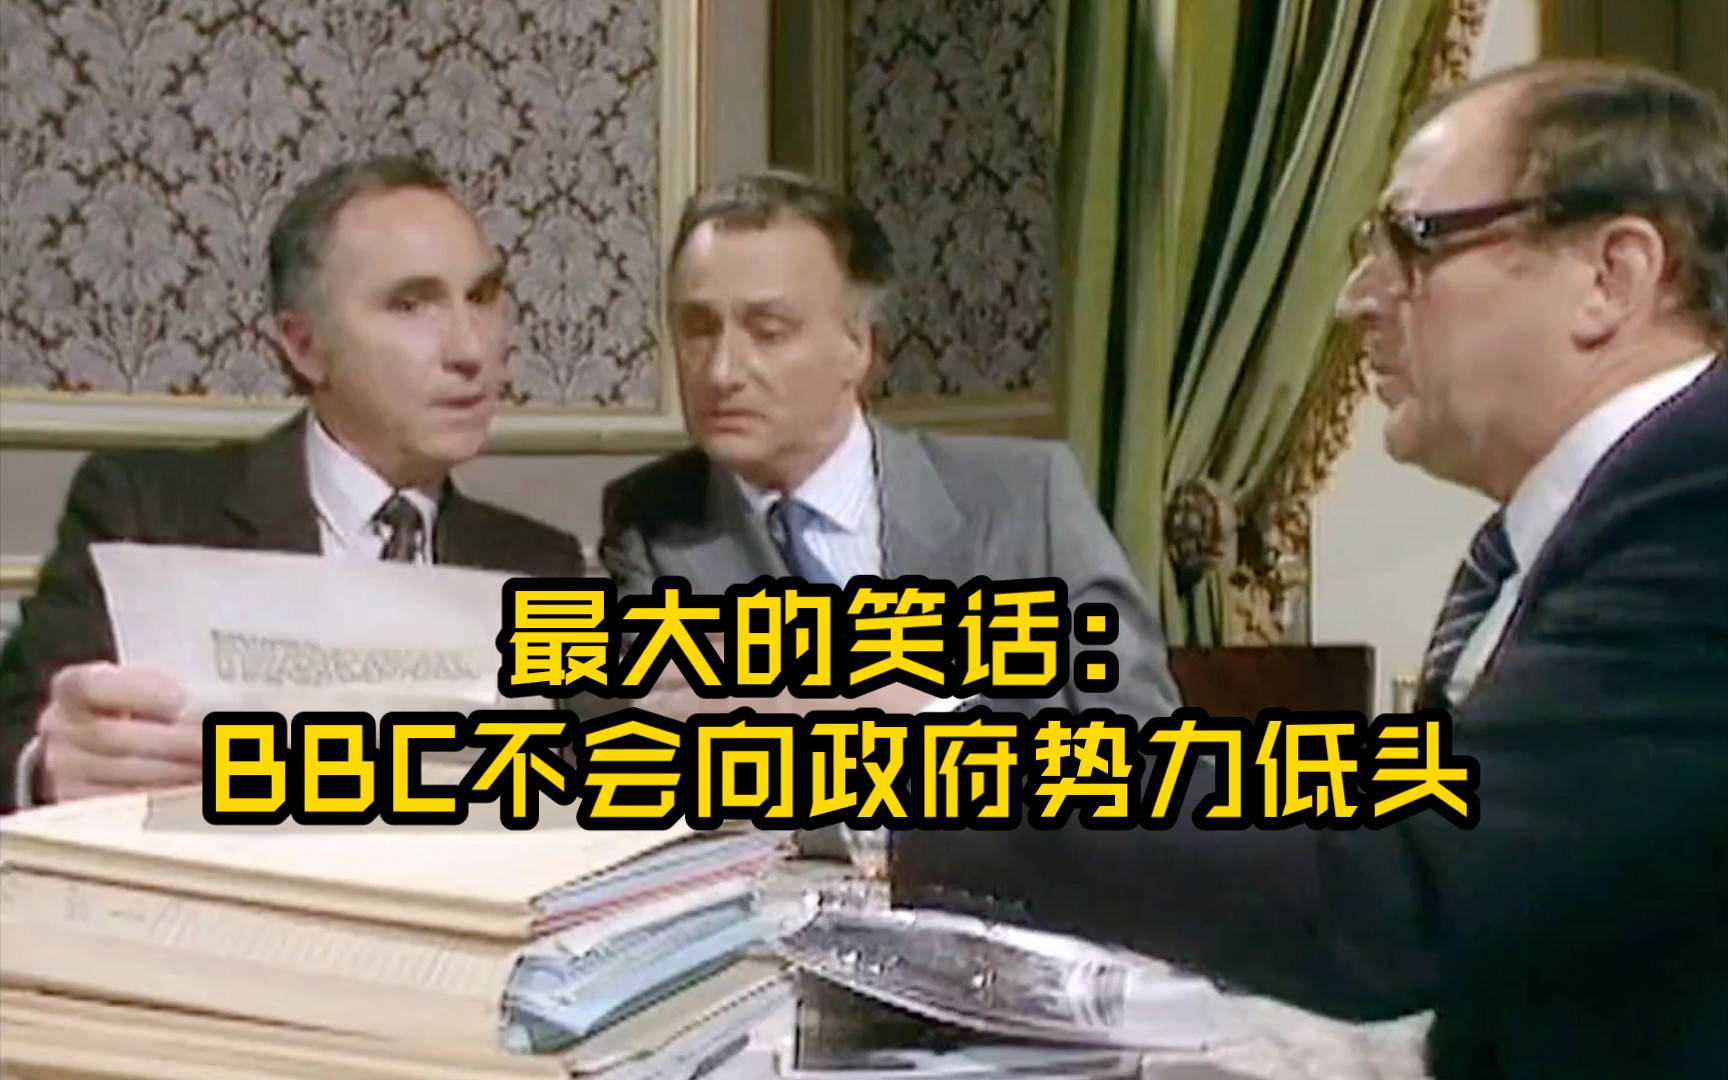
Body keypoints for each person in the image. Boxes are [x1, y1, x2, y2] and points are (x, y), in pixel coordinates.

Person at [886, 61, 1728, 1080]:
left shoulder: (1704, 501)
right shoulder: (1615, 504)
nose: (1354, 298)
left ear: (1613, 277)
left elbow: (1401, 884)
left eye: (1413, 241)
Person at [0, 154, 586, 810]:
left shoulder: (541, 564)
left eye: (481, 297)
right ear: (304, 346)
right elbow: (14, 733)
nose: (471, 350)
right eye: (410, 305)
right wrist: (44, 770)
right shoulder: (145, 510)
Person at [598, 170, 1182, 724]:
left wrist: (921, 706)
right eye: (698, 329)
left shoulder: (1026, 500)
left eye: (768, 331)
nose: (721, 371)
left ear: (858, 346)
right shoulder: (652, 523)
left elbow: (1149, 751)